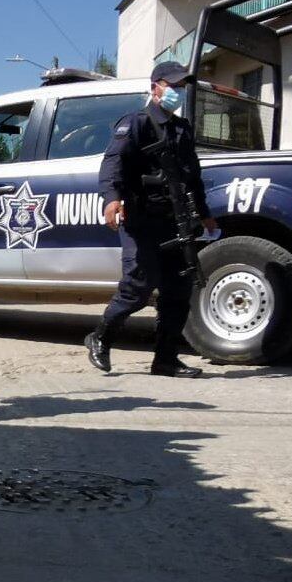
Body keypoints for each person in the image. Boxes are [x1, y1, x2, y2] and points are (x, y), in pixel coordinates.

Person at [85, 60, 219, 377]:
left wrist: (205, 214)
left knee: (178, 291)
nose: (178, 92)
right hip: (141, 221)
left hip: (176, 222)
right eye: (172, 86)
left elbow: (193, 176)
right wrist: (112, 200)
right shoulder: (136, 123)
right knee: (138, 288)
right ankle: (100, 337)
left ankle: (166, 359)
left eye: (181, 87)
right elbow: (112, 166)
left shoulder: (182, 129)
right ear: (155, 87)